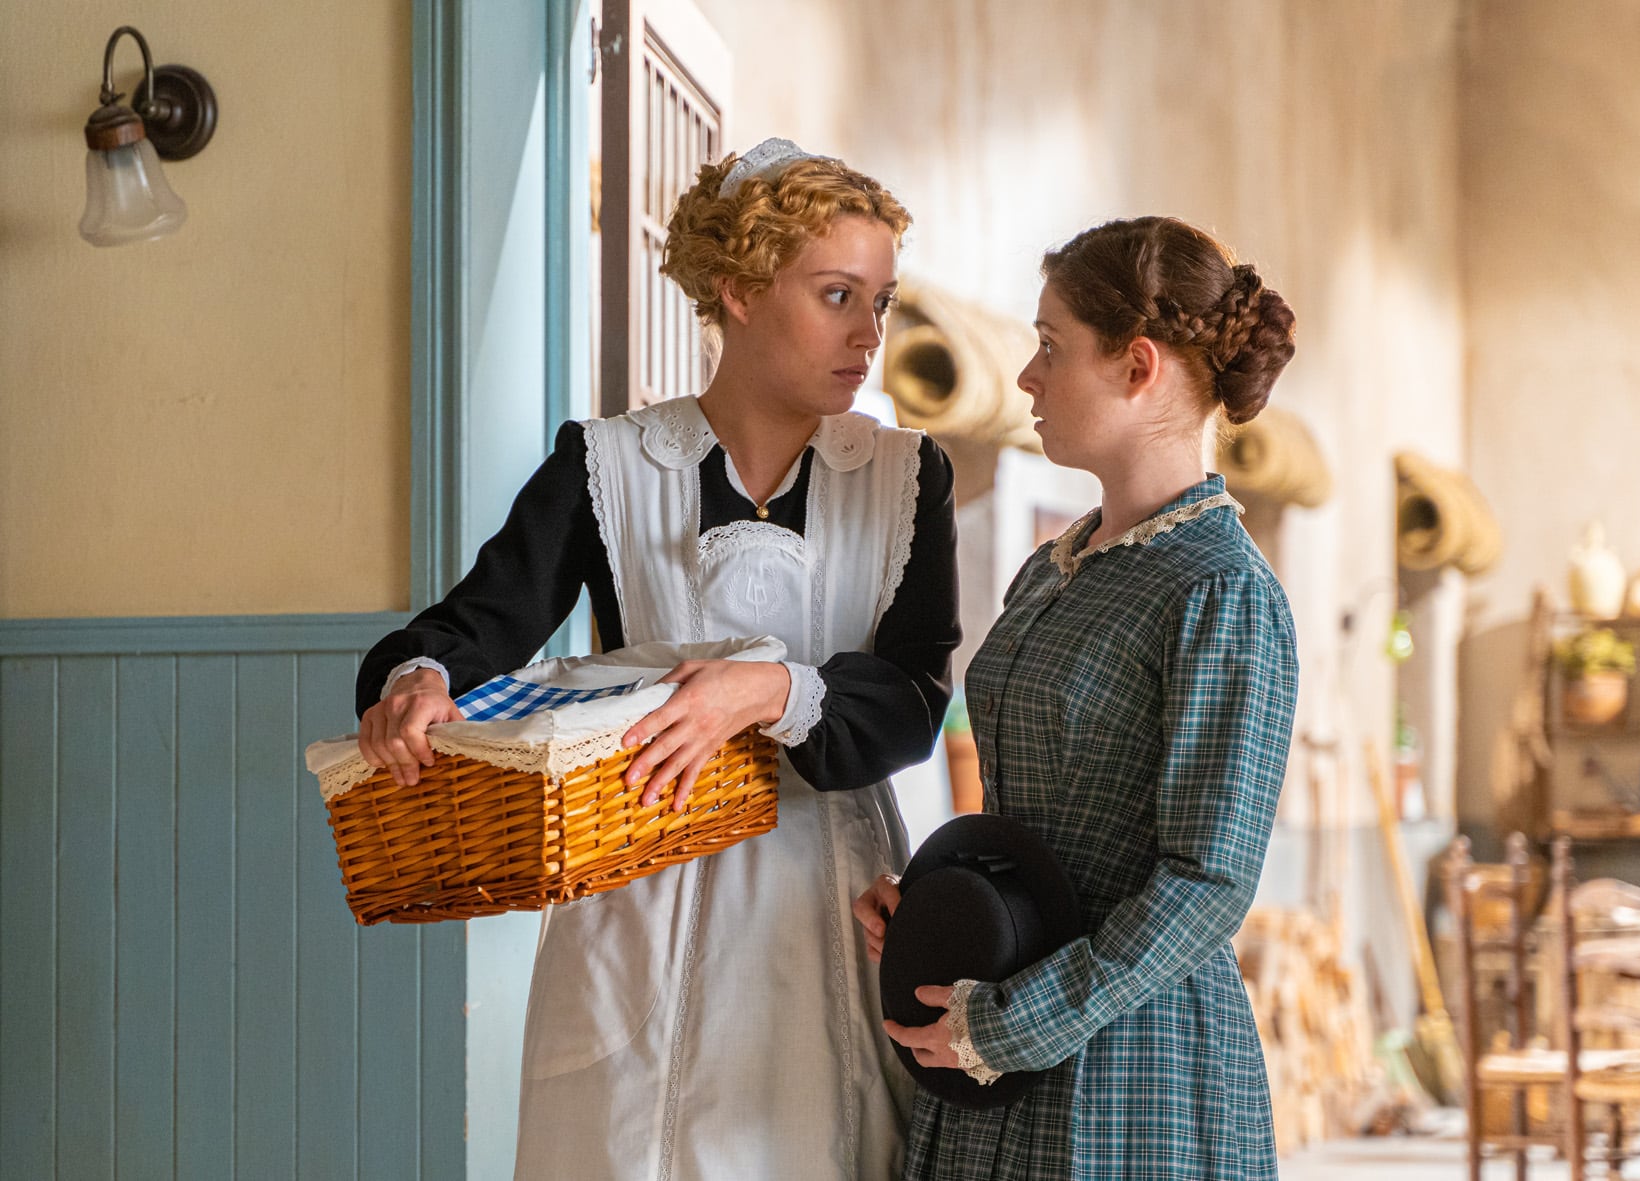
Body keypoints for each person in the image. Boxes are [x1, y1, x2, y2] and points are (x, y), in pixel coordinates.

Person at [355, 138, 960, 1180]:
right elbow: (473, 626)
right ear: (735, 289)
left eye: (880, 299)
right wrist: (415, 677)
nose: (868, 335)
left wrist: (767, 688)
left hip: (829, 903)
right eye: (835, 295)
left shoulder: (907, 477)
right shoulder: (605, 464)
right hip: (635, 894)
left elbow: (912, 700)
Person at [854, 216, 1300, 1179]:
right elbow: (1030, 824)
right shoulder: (1048, 571)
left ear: (1138, 366)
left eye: (1051, 347)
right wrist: (949, 904)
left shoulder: (1221, 590)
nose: (1027, 377)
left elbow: (1206, 885)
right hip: (997, 1038)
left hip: (1132, 1068)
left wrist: (1015, 1021)